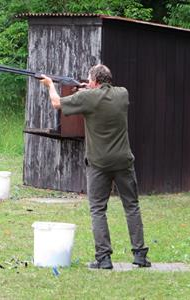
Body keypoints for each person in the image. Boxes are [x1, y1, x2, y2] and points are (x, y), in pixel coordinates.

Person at [40, 64, 151, 270]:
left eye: (90, 80)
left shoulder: (87, 98)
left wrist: (49, 85)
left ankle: (104, 258)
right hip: (123, 160)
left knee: (98, 210)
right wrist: (88, 88)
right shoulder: (122, 94)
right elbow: (102, 95)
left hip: (99, 163)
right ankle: (140, 255)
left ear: (94, 81)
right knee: (132, 206)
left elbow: (56, 103)